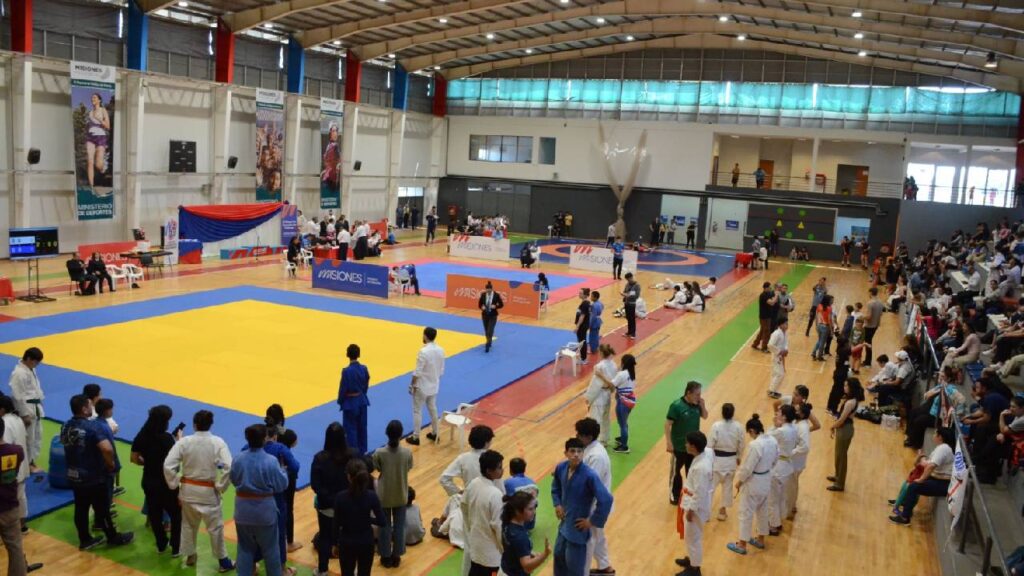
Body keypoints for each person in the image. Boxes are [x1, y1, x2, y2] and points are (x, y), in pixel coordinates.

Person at [60, 394, 134, 551]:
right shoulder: (93, 427)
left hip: (74, 473)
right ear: (84, 409)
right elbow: (106, 448)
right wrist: (110, 464)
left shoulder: (66, 425)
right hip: (93, 475)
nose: (92, 408)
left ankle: (85, 539)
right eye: (89, 406)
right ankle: (112, 537)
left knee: (81, 507)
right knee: (102, 508)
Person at [163, 410, 234, 572]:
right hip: (209, 492)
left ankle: (190, 555)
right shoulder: (218, 442)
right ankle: (223, 562)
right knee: (215, 528)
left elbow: (168, 465)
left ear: (194, 425)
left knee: (188, 525)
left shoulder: (184, 442)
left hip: (188, 490)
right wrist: (221, 486)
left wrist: (176, 481)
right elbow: (229, 467)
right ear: (211, 424)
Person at [231, 424, 289, 576]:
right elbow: (281, 485)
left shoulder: (238, 459)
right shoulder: (271, 461)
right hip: (264, 511)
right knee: (271, 550)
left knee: (244, 548)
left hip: (242, 510)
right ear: (264, 439)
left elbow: (234, 479)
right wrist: (283, 471)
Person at [551, 438, 613, 576]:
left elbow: (606, 499)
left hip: (577, 530)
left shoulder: (589, 475)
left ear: (583, 453)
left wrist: (592, 521)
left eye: (579, 451)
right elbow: (556, 486)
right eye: (572, 451)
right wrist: (557, 504)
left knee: (574, 568)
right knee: (559, 559)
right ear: (566, 453)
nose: (576, 455)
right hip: (563, 526)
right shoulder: (561, 468)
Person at [130, 405, 182, 556]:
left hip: (149, 480)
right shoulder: (167, 439)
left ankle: (161, 544)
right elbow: (176, 461)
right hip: (167, 482)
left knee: (154, 514)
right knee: (176, 514)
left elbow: (134, 458)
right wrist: (179, 441)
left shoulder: (141, 436)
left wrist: (148, 462)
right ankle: (176, 547)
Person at [310, 422, 360, 576]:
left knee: (325, 537)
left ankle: (323, 570)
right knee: (349, 537)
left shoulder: (319, 458)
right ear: (344, 437)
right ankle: (351, 569)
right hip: (349, 505)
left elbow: (315, 485)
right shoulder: (353, 454)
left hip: (326, 506)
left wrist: (329, 498)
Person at [726, 414, 778, 556]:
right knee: (762, 511)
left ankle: (742, 544)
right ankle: (760, 539)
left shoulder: (755, 445)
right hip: (766, 478)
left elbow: (747, 468)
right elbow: (775, 459)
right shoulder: (772, 440)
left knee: (745, 513)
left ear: (752, 431)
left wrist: (739, 481)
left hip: (753, 482)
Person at [889, 427, 956, 525]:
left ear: (940, 437)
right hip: (938, 479)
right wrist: (921, 459)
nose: (933, 435)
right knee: (912, 479)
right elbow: (928, 464)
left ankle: (905, 517)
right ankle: (904, 502)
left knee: (914, 486)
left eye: (935, 434)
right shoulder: (943, 448)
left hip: (943, 484)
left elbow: (931, 466)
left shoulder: (944, 448)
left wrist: (921, 479)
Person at [373, 420, 414, 568]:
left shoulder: (379, 453)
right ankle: (397, 555)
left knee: (384, 526)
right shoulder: (407, 453)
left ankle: (385, 556)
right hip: (400, 493)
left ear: (386, 433)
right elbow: (408, 467)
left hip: (384, 495)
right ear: (401, 434)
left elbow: (377, 468)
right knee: (399, 526)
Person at [333, 458, 384, 576]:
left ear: (349, 477)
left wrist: (335, 544)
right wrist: (368, 519)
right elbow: (382, 521)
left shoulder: (340, 497)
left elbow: (336, 524)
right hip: (366, 541)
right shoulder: (371, 496)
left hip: (347, 541)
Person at [576, 418, 614, 575]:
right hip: (596, 504)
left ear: (588, 437)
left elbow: (591, 485)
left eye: (579, 434)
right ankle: (605, 567)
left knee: (588, 540)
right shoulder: (590, 449)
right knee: (598, 535)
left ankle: (582, 572)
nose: (577, 436)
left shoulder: (596, 456)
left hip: (595, 505)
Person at [676, 431, 713, 576]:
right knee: (690, 535)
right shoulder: (705, 454)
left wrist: (691, 510)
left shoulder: (701, 468)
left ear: (693, 446)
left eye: (687, 443)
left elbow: (700, 492)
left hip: (696, 506)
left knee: (693, 537)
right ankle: (692, 559)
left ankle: (695, 568)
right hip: (692, 499)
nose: (685, 445)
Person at [464, 450, 505, 575]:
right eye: (499, 467)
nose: (502, 470)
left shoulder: (473, 484)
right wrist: (504, 550)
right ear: (489, 471)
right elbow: (498, 526)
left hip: (475, 547)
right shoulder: (495, 494)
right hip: (491, 554)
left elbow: (463, 505)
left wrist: (470, 526)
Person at [666, 381, 708, 504]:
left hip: (693, 449)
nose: (699, 397)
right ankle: (674, 495)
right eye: (697, 394)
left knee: (691, 472)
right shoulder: (676, 406)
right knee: (676, 472)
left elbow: (705, 416)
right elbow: (667, 424)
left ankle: (690, 494)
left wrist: (703, 405)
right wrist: (669, 443)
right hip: (678, 447)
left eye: (700, 394)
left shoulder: (697, 404)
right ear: (688, 393)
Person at [9, 348, 44, 474]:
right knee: (28, 438)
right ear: (29, 359)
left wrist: (40, 400)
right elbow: (17, 396)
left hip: (35, 406)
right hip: (27, 409)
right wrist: (24, 414)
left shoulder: (30, 369)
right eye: (36, 362)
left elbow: (35, 388)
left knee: (37, 436)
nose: (36, 365)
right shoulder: (18, 373)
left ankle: (32, 461)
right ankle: (27, 464)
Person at [408, 327, 445, 446]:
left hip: (422, 386)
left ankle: (416, 437)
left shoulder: (423, 352)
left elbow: (417, 372)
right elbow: (441, 370)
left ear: (425, 336)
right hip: (434, 385)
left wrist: (412, 384)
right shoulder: (441, 350)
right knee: (433, 408)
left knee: (417, 410)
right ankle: (435, 433)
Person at [708, 403, 744, 521]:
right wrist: (739, 456)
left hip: (716, 461)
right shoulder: (738, 427)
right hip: (731, 461)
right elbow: (741, 444)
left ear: (722, 413)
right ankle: (722, 511)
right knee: (727, 487)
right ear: (733, 413)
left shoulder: (716, 426)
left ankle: (706, 512)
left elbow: (710, 444)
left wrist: (708, 459)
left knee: (710, 488)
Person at [828, 377, 864, 492]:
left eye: (846, 385)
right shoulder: (852, 400)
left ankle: (839, 483)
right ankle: (837, 475)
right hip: (845, 429)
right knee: (838, 455)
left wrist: (832, 426)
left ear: (851, 387)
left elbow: (842, 420)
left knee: (842, 456)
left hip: (845, 429)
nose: (844, 387)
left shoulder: (850, 402)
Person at [501, 492, 550, 576]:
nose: (534, 512)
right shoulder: (520, 537)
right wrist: (545, 554)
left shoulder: (506, 523)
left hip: (505, 568)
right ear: (517, 511)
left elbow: (513, 547)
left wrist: (528, 552)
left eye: (534, 508)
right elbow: (527, 567)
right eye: (530, 509)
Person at [767, 405, 798, 536]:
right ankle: (778, 520)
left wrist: (774, 425)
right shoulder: (794, 428)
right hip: (787, 465)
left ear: (784, 416)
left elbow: (766, 438)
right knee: (780, 497)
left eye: (779, 412)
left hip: (778, 467)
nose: (777, 414)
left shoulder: (781, 431)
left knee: (772, 498)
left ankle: (773, 526)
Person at [338, 344, 370, 454]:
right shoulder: (364, 368)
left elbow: (343, 388)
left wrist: (340, 401)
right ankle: (362, 451)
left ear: (347, 355)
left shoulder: (346, 371)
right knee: (362, 427)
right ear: (359, 355)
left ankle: (352, 453)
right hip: (362, 401)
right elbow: (366, 382)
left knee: (350, 429)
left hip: (350, 403)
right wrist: (362, 393)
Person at [585, 345, 617, 445]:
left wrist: (589, 398)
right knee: (605, 418)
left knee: (595, 419)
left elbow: (595, 384)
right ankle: (604, 439)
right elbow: (614, 382)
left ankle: (594, 442)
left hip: (599, 395)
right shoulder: (614, 364)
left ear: (602, 353)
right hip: (607, 394)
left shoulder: (599, 367)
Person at [612, 354, 638, 454]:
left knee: (622, 424)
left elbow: (611, 384)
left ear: (623, 363)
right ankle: (623, 438)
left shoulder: (622, 374)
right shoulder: (632, 374)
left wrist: (600, 376)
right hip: (629, 400)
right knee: (623, 422)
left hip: (623, 401)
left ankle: (624, 446)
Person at [479, 282, 504, 353]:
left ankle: (487, 344)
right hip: (485, 315)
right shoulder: (483, 295)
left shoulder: (496, 295)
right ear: (486, 289)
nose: (488, 292)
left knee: (490, 330)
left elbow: (501, 304)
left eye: (489, 291)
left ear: (492, 289)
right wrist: (482, 307)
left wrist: (495, 306)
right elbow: (479, 304)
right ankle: (489, 341)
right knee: (486, 330)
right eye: (487, 291)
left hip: (493, 315)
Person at [767, 319, 789, 399]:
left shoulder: (785, 333)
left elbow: (786, 343)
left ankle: (773, 390)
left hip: (781, 355)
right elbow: (770, 345)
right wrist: (779, 352)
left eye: (787, 323)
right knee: (780, 374)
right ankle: (771, 391)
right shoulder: (776, 333)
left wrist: (786, 350)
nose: (787, 325)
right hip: (776, 356)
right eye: (785, 324)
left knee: (776, 373)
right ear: (780, 325)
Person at [752, 283, 778, 352]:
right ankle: (764, 348)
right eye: (769, 288)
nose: (770, 289)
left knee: (762, 331)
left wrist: (775, 293)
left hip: (768, 316)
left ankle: (755, 344)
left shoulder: (768, 294)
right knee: (767, 332)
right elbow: (772, 303)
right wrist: (776, 295)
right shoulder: (763, 295)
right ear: (765, 288)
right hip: (764, 317)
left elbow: (773, 300)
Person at [863, 287, 884, 365]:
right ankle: (867, 361)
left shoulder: (870, 303)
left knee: (867, 343)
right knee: (869, 342)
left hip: (869, 326)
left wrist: (861, 316)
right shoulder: (880, 302)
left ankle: (868, 362)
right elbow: (881, 314)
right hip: (875, 325)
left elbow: (869, 316)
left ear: (871, 293)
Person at [574, 288, 592, 363]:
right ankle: (583, 357)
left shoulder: (585, 304)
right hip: (584, 325)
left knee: (582, 341)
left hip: (582, 326)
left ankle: (583, 359)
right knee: (582, 340)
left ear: (585, 295)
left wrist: (577, 326)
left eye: (581, 293)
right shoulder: (586, 303)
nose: (579, 294)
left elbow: (582, 316)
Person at [621, 273, 640, 339]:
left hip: (632, 304)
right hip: (626, 303)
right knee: (628, 318)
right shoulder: (627, 284)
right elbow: (624, 291)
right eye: (627, 280)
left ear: (631, 277)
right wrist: (624, 294)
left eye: (629, 279)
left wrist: (628, 295)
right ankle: (629, 332)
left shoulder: (637, 285)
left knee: (632, 318)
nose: (628, 281)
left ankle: (633, 333)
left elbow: (637, 296)